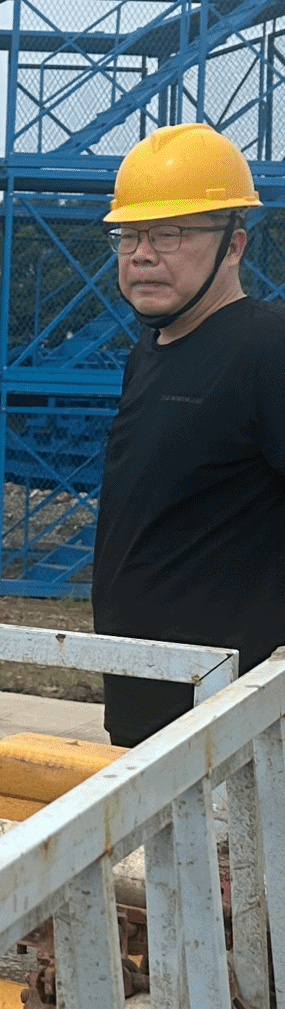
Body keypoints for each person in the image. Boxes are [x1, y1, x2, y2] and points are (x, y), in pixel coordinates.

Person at [92, 123, 284, 747]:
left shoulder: (267, 349)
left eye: (169, 233)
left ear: (233, 245)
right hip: (147, 700)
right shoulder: (147, 354)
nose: (142, 254)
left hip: (234, 722)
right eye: (128, 235)